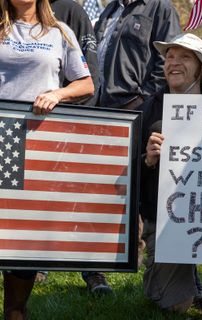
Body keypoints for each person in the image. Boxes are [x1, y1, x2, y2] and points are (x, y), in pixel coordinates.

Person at [0, 0, 94, 317]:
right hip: (0, 141)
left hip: (39, 149)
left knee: (23, 236)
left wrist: (57, 94)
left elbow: (86, 83)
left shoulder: (60, 33)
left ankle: (15, 310)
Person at [82, 0, 181, 294]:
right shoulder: (110, 9)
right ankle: (95, 271)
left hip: (135, 112)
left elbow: (170, 60)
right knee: (101, 192)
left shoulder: (160, 8)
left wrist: (145, 103)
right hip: (100, 113)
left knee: (134, 191)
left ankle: (177, 268)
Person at [138, 33, 202, 313]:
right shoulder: (149, 107)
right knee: (175, 307)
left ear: (200, 67)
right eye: (170, 56)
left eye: (184, 56)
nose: (174, 62)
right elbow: (131, 170)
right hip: (163, 218)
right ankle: (169, 275)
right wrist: (147, 159)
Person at [94, 0, 181, 109]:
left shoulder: (162, 7)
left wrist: (144, 100)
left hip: (132, 107)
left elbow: (170, 60)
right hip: (98, 105)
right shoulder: (111, 7)